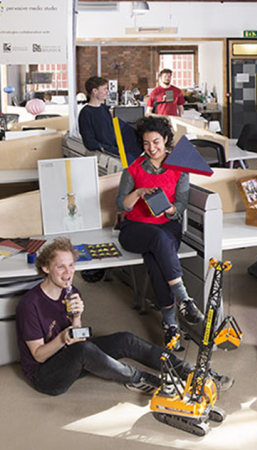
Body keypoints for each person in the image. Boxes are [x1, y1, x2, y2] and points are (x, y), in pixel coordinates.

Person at [15, 238, 195, 396]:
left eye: (71, 265)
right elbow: (38, 356)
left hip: (70, 357)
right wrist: (63, 337)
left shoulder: (71, 292)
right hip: (45, 375)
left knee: (125, 339)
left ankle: (187, 370)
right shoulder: (30, 304)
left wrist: (77, 316)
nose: (68, 273)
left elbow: (77, 340)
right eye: (60, 267)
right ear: (46, 268)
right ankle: (139, 378)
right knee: (84, 350)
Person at [115, 116, 203, 351]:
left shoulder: (179, 169)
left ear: (165, 140)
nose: (151, 148)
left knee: (156, 261)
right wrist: (139, 192)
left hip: (166, 225)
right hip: (135, 229)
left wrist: (169, 208)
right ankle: (183, 299)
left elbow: (180, 208)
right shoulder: (132, 169)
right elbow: (122, 205)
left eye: (156, 141)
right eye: (146, 143)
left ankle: (170, 325)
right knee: (157, 240)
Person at [78, 76, 120, 157]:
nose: (107, 92)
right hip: (102, 155)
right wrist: (110, 149)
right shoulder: (86, 113)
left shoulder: (104, 108)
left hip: (114, 152)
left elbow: (112, 131)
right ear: (95, 91)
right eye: (104, 89)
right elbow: (89, 142)